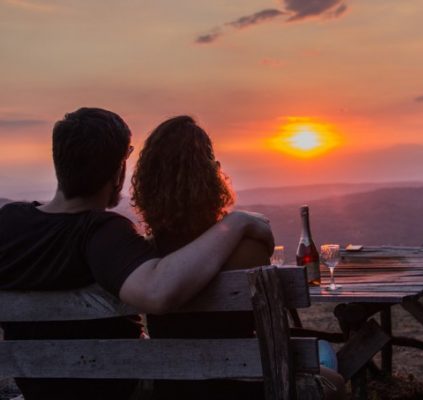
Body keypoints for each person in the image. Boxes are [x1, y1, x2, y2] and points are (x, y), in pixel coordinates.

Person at [0, 108, 274, 400]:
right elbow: (157, 293)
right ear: (119, 172)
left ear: (59, 161)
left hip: (36, 388)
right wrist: (236, 222)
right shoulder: (103, 234)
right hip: (114, 389)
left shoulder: (9, 220)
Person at [131, 115, 345, 400]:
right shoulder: (247, 251)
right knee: (334, 378)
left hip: (175, 388)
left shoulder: (147, 260)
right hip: (248, 384)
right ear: (210, 176)